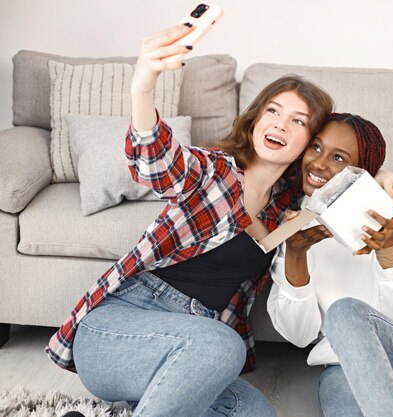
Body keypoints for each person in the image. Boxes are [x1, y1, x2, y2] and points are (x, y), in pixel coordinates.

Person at [46, 23, 334, 417]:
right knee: (221, 345)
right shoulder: (212, 169)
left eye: (298, 121)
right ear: (254, 120)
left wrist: (382, 176)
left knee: (256, 414)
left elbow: (346, 165)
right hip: (118, 331)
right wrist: (143, 86)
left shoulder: (286, 206)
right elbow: (157, 160)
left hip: (192, 346)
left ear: (309, 143)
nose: (280, 124)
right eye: (273, 111)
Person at [267, 113, 393, 417]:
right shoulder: (291, 227)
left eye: (338, 157)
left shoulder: (391, 214)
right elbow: (299, 335)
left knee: (345, 311)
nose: (318, 164)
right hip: (344, 371)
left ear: (361, 171)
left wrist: (390, 250)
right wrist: (295, 255)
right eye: (315, 148)